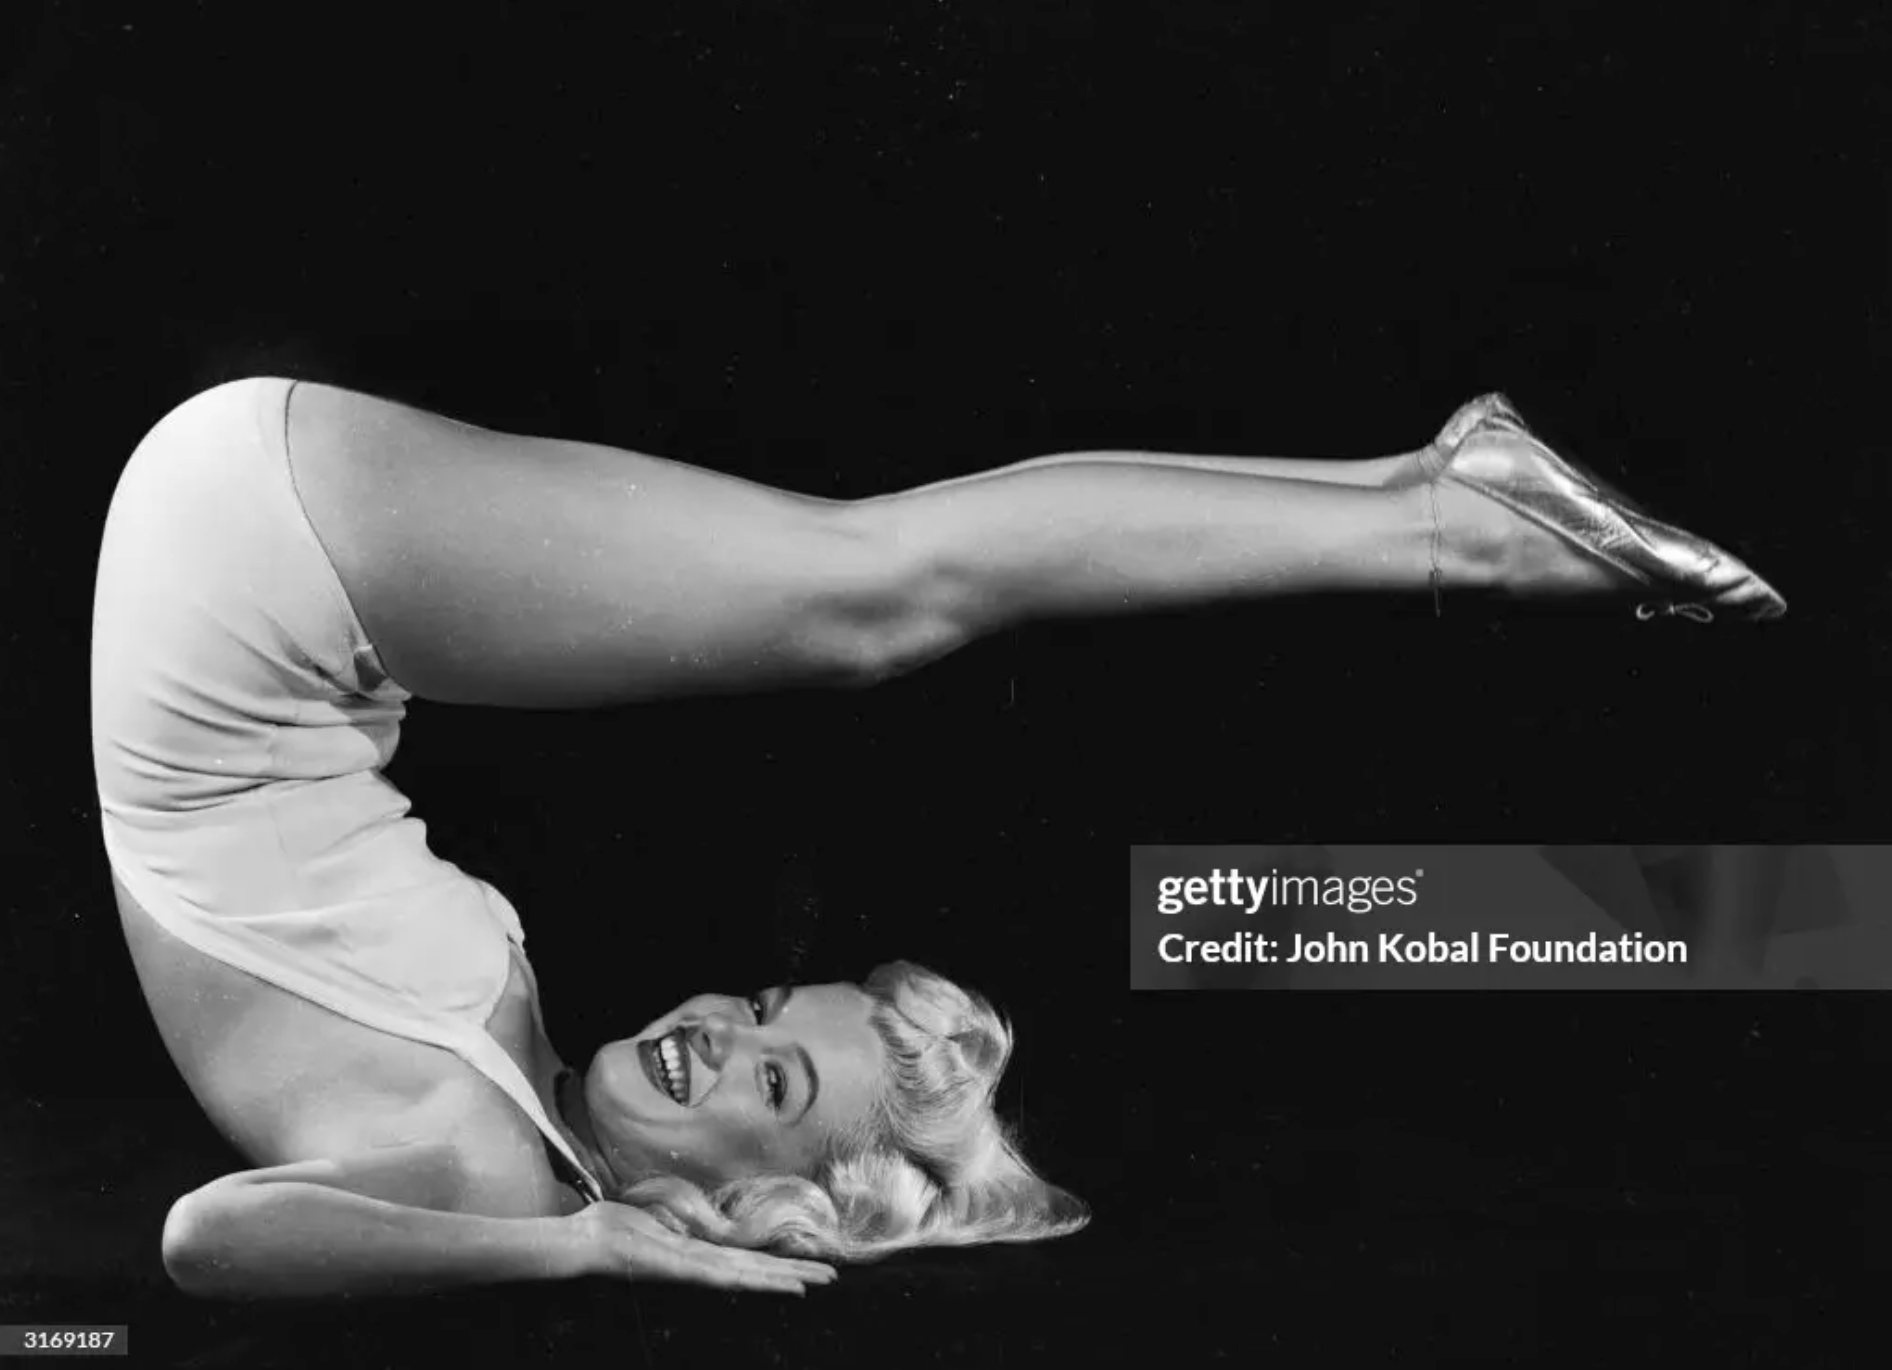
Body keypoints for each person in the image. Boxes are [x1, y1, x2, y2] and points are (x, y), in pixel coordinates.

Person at [90, 376, 1783, 1301]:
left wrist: (577, 1245)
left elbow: (209, 1237)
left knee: (882, 586)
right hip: (271, 583)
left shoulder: (480, 1177)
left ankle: (1446, 509)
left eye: (770, 1080)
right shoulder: (512, 1132)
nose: (718, 1029)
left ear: (762, 1206)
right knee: (877, 582)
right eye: (771, 1023)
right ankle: (1434, 498)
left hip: (258, 575)